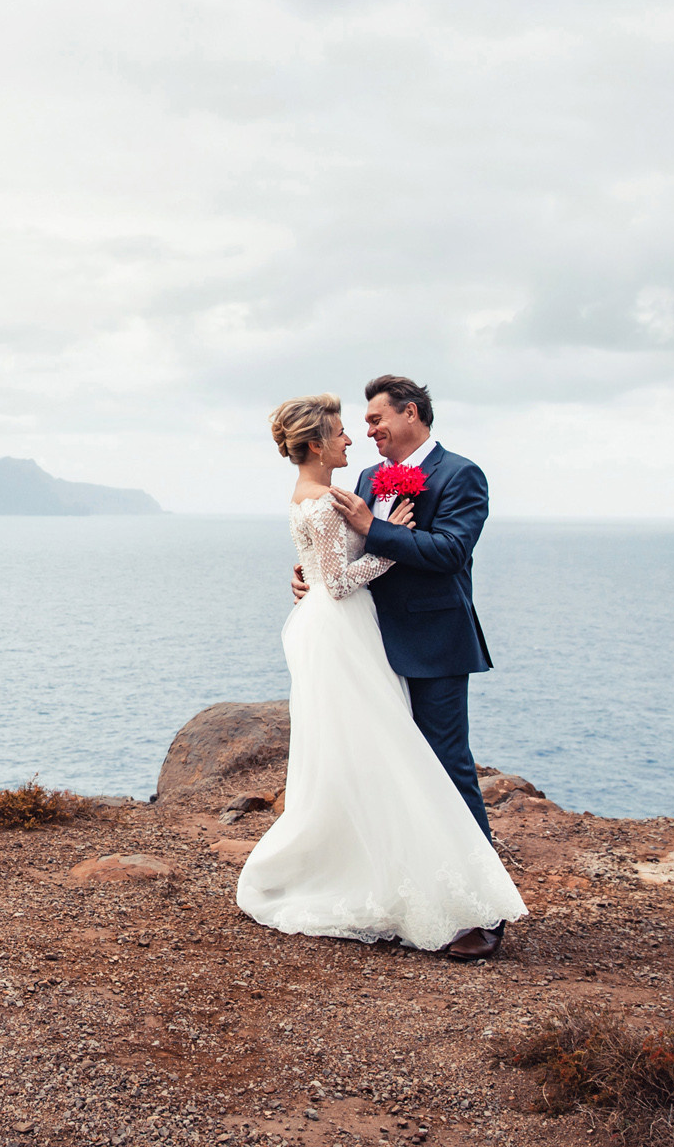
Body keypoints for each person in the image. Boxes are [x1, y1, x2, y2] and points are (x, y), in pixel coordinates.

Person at [240, 389, 524, 958]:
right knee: (383, 768)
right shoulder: (366, 477)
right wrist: (308, 578)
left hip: (432, 643)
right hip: (365, 641)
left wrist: (378, 530)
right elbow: (336, 554)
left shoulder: (462, 475)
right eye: (360, 423)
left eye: (375, 419)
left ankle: (480, 910)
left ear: (410, 413)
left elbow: (449, 551)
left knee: (446, 765)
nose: (367, 431)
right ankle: (394, 886)